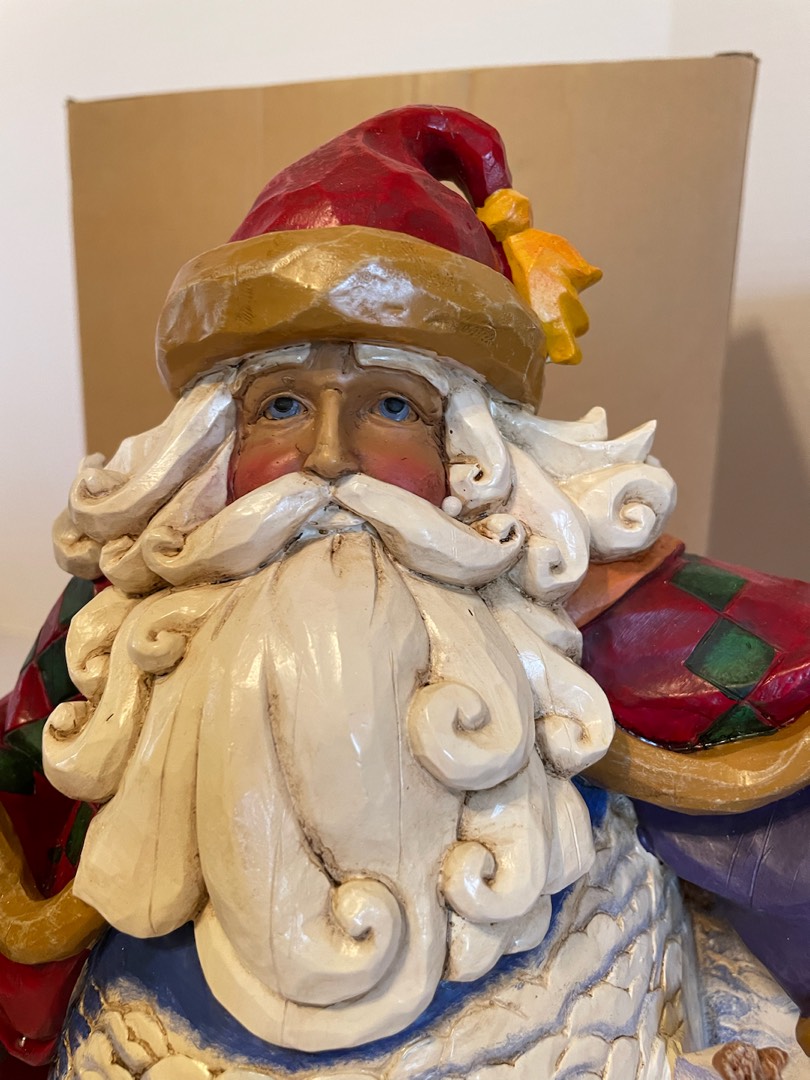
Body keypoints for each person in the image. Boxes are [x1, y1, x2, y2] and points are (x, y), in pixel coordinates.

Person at [0, 105, 808, 1080]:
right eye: (282, 407)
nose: (329, 458)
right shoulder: (104, 649)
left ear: (471, 459)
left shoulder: (616, 633)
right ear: (211, 455)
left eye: (389, 406)